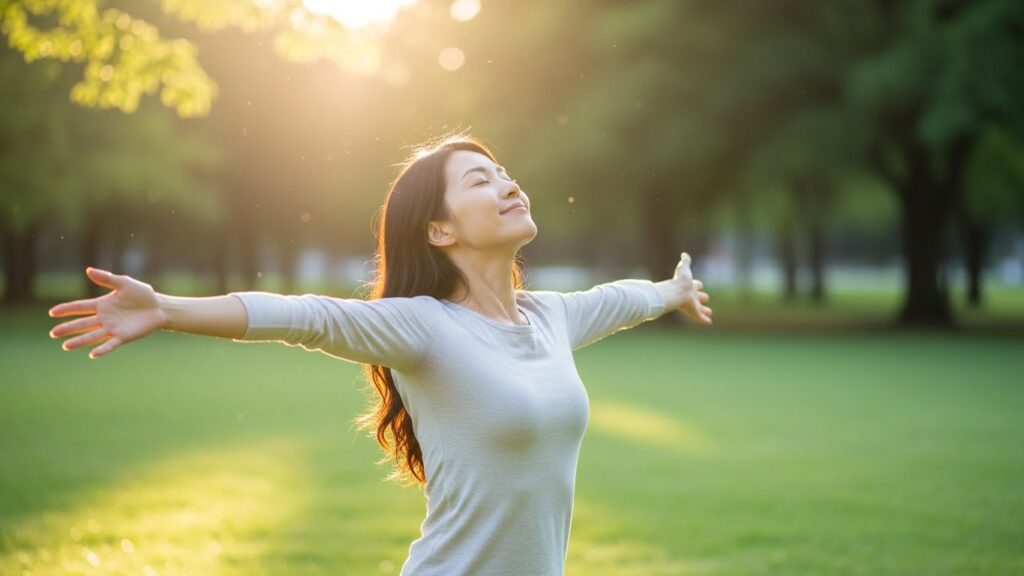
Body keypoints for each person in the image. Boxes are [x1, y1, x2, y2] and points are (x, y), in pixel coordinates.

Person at [46, 134, 713, 575]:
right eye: (483, 180)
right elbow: (304, 316)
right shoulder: (424, 329)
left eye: (507, 174)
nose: (510, 185)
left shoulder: (552, 318)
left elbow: (624, 298)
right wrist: (167, 308)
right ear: (440, 229)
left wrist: (674, 290)